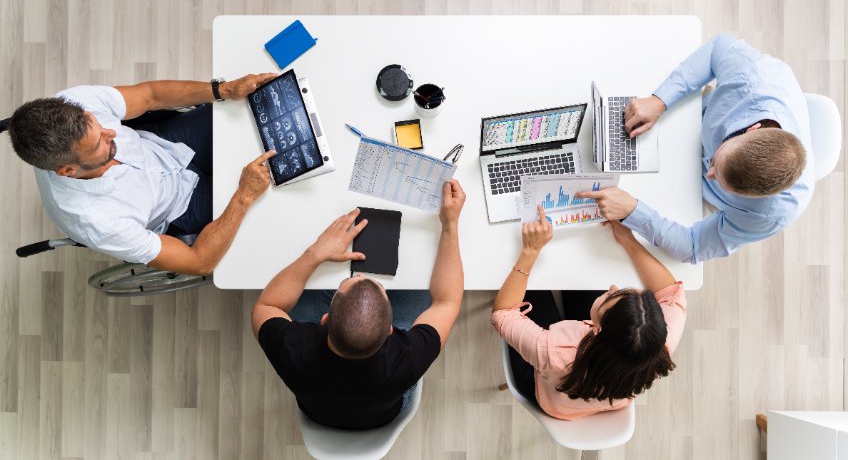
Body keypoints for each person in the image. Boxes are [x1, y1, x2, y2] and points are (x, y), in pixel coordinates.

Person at [7, 74, 278, 275]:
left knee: (255, 113)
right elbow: (199, 262)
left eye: (100, 125)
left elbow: (150, 95)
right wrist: (243, 196)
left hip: (167, 144)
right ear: (69, 170)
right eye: (98, 144)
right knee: (277, 198)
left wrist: (224, 89)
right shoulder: (99, 221)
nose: (112, 132)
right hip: (181, 206)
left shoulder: (73, 103)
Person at [577, 34, 814, 263]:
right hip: (687, 121)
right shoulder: (755, 77)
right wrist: (660, 100)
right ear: (753, 129)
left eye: (720, 182)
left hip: (688, 195)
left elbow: (693, 246)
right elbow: (716, 48)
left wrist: (633, 211)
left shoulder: (772, 214)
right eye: (716, 164)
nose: (709, 173)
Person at [251, 180, 466, 430]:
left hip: (319, 409)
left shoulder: (293, 350)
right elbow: (447, 301)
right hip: (383, 409)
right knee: (422, 291)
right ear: (390, 330)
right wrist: (450, 224)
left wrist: (316, 253)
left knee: (307, 286)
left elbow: (266, 305)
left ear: (324, 320)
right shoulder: (407, 359)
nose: (361, 276)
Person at [491, 206, 686, 420]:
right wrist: (628, 240)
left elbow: (503, 314)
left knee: (533, 287)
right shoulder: (658, 343)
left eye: (610, 297)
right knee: (584, 276)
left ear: (597, 329)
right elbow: (671, 293)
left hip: (546, 388)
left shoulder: (552, 351)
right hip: (600, 380)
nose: (612, 287)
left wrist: (530, 252)